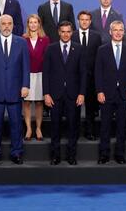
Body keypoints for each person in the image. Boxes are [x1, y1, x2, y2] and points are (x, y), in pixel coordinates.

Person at [0, 15, 30, 165]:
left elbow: (25, 66)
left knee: (16, 124)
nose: (6, 26)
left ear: (13, 25)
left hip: (15, 91)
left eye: (9, 23)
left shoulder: (21, 42)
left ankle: (16, 153)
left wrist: (25, 85)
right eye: (3, 24)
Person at [43, 21, 86, 165]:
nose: (66, 34)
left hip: (74, 95)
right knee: (55, 127)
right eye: (63, 31)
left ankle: (71, 156)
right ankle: (55, 156)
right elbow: (46, 73)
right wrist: (46, 93)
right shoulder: (51, 49)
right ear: (58, 32)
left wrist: (81, 93)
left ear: (72, 32)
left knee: (73, 127)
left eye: (68, 31)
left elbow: (83, 73)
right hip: (55, 95)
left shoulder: (79, 49)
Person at [95, 21, 126, 164]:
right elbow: (98, 73)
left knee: (122, 127)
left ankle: (120, 154)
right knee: (105, 126)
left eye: (121, 30)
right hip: (106, 93)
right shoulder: (102, 50)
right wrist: (99, 91)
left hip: (125, 93)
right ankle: (104, 154)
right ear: (110, 32)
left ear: (124, 32)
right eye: (115, 30)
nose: (118, 33)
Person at [71, 11, 103, 140]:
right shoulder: (71, 35)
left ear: (90, 21)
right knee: (74, 107)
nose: (84, 22)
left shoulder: (96, 37)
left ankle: (90, 131)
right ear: (78, 21)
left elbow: (99, 58)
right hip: (74, 77)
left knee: (90, 107)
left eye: (87, 20)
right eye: (82, 19)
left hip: (91, 78)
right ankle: (75, 131)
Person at [22, 14, 50, 141]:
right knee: (26, 102)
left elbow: (48, 58)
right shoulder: (23, 39)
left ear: (39, 24)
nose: (33, 24)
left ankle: (38, 128)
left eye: (35, 22)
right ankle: (28, 128)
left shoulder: (45, 39)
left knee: (39, 102)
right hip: (26, 74)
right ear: (27, 24)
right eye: (30, 22)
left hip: (40, 75)